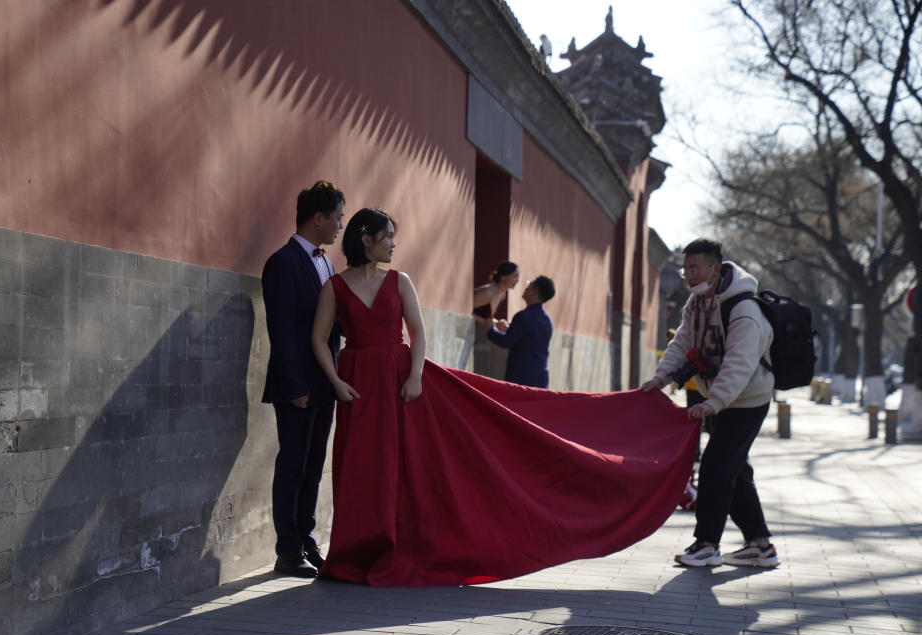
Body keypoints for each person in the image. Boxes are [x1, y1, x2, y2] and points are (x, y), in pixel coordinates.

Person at [310, 207, 700, 586]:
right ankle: (354, 554)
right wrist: (335, 381)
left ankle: (399, 545)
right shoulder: (335, 286)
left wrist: (414, 376)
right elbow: (319, 338)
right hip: (356, 383)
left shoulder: (399, 281)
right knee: (361, 467)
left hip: (401, 381)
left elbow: (418, 332)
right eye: (388, 237)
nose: (394, 244)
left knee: (406, 467)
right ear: (366, 239)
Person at [641, 238, 778, 569]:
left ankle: (706, 545)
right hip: (720, 399)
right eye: (685, 268)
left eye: (695, 268)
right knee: (735, 470)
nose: (688, 274)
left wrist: (712, 402)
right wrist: (661, 378)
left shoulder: (744, 310)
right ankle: (761, 546)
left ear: (715, 269)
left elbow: (740, 364)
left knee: (716, 467)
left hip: (747, 400)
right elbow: (681, 342)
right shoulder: (697, 303)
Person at [261, 180, 345, 578]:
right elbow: (280, 330)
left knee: (314, 464)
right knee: (292, 464)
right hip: (297, 387)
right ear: (318, 217)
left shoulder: (327, 263)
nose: (340, 226)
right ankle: (287, 550)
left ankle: (306, 538)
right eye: (337, 218)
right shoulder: (282, 262)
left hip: (325, 383)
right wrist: (295, 386)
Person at [486, 275, 555, 388]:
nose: (526, 288)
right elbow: (531, 338)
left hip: (521, 377)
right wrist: (509, 329)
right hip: (540, 378)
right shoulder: (547, 320)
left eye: (529, 286)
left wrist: (489, 330)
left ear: (534, 291)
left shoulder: (524, 316)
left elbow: (506, 342)